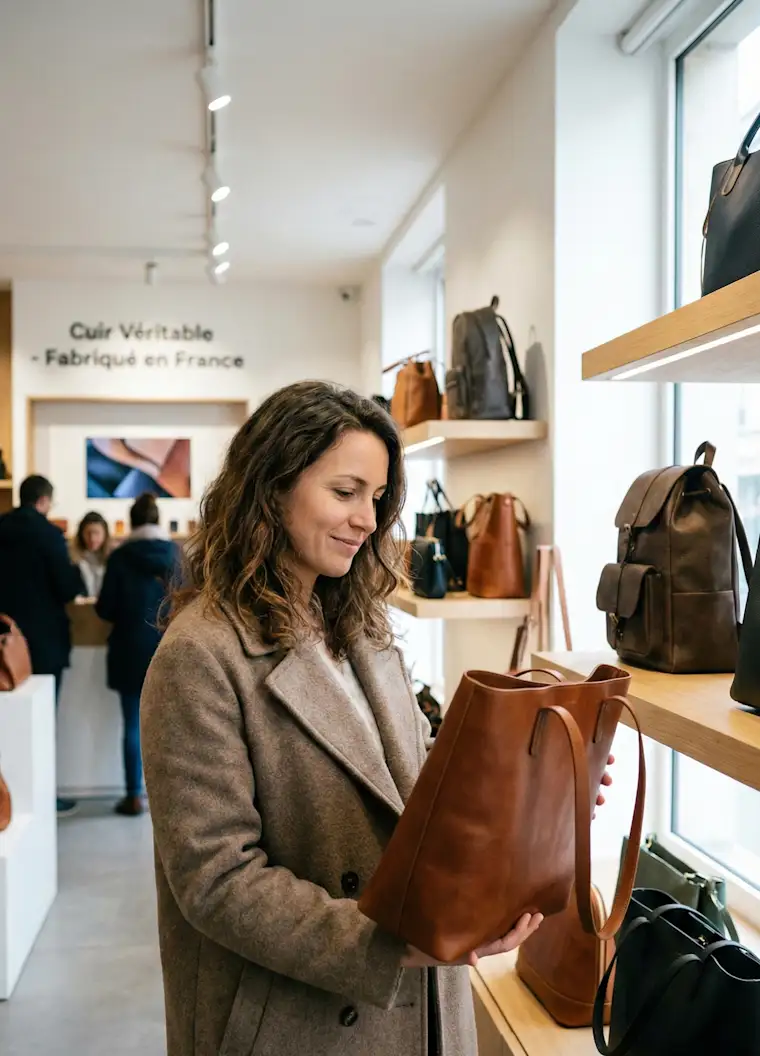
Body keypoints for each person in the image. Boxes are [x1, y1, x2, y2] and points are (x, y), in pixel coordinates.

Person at [141, 382, 613, 1056]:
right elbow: (217, 882)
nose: (367, 519)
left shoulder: (362, 629)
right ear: (271, 489)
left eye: (376, 497)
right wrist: (393, 946)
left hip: (422, 1003)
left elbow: (417, 798)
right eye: (344, 492)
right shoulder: (199, 656)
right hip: (295, 1019)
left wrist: (538, 799)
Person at [0, 474, 85, 816]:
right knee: (40, 721)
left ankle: (9, 797)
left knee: (6, 722)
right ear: (44, 501)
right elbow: (66, 588)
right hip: (44, 644)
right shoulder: (49, 535)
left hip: (4, 642)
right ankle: (42, 796)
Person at [96, 492, 179, 817]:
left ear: (131, 521)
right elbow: (187, 601)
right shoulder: (175, 553)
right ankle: (170, 800)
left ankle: (133, 795)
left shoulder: (120, 557)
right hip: (169, 648)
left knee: (133, 723)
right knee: (172, 727)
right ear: (158, 519)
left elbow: (105, 608)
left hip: (129, 648)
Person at [74, 511, 110, 598]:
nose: (92, 539)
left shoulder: (112, 558)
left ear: (105, 534)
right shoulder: (73, 559)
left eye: (97, 533)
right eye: (88, 533)